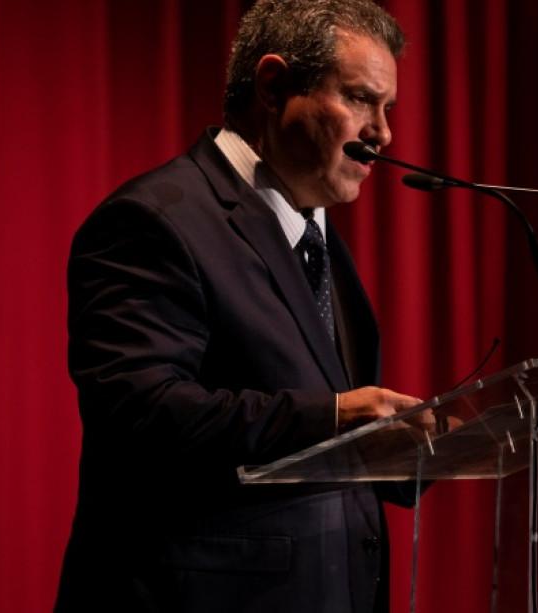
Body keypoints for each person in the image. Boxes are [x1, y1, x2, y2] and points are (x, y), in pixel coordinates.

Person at [55, 1, 434, 611]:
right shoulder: (154, 221)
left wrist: (404, 446)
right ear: (273, 86)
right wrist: (334, 416)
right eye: (361, 99)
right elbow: (137, 413)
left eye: (388, 108)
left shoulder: (315, 234)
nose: (383, 134)